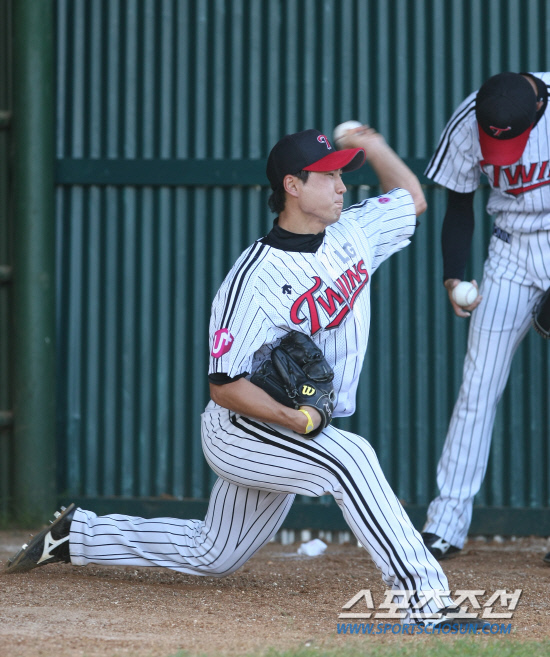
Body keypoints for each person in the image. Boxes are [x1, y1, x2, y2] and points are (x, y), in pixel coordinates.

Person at [4, 126, 483, 628]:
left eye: (342, 175)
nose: (342, 186)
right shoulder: (253, 280)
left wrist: (375, 145)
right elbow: (225, 386)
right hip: (242, 429)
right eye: (328, 176)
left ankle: (77, 535)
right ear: (293, 186)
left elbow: (411, 200)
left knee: (214, 553)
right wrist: (296, 421)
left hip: (292, 427)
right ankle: (424, 602)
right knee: (352, 459)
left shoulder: (353, 232)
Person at [421, 72, 550, 564]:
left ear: (536, 110)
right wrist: (453, 276)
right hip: (511, 251)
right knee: (478, 387)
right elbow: (460, 203)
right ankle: (445, 525)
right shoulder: (469, 119)